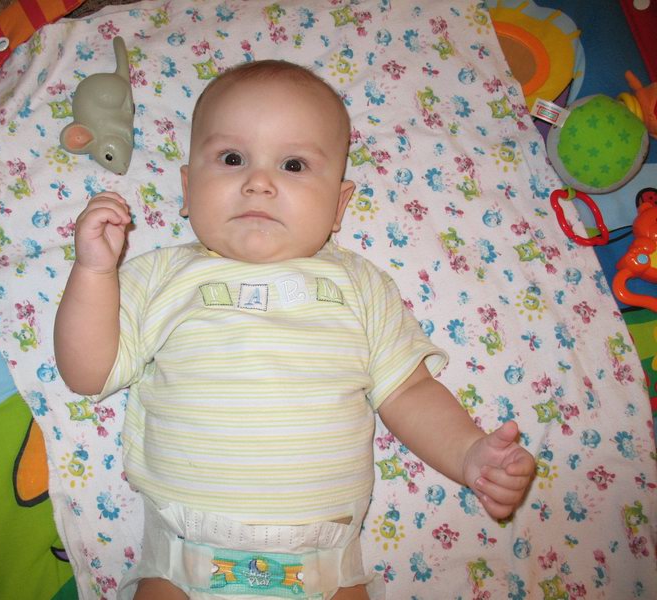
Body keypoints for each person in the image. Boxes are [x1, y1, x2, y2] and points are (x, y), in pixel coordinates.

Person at [54, 60, 536, 600]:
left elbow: (409, 392)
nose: (258, 182)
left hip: (325, 568)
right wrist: (94, 273)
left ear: (339, 205)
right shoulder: (160, 277)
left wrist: (468, 454)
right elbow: (87, 373)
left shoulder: (360, 286)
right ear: (187, 188)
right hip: (181, 561)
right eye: (232, 158)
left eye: (293, 164)